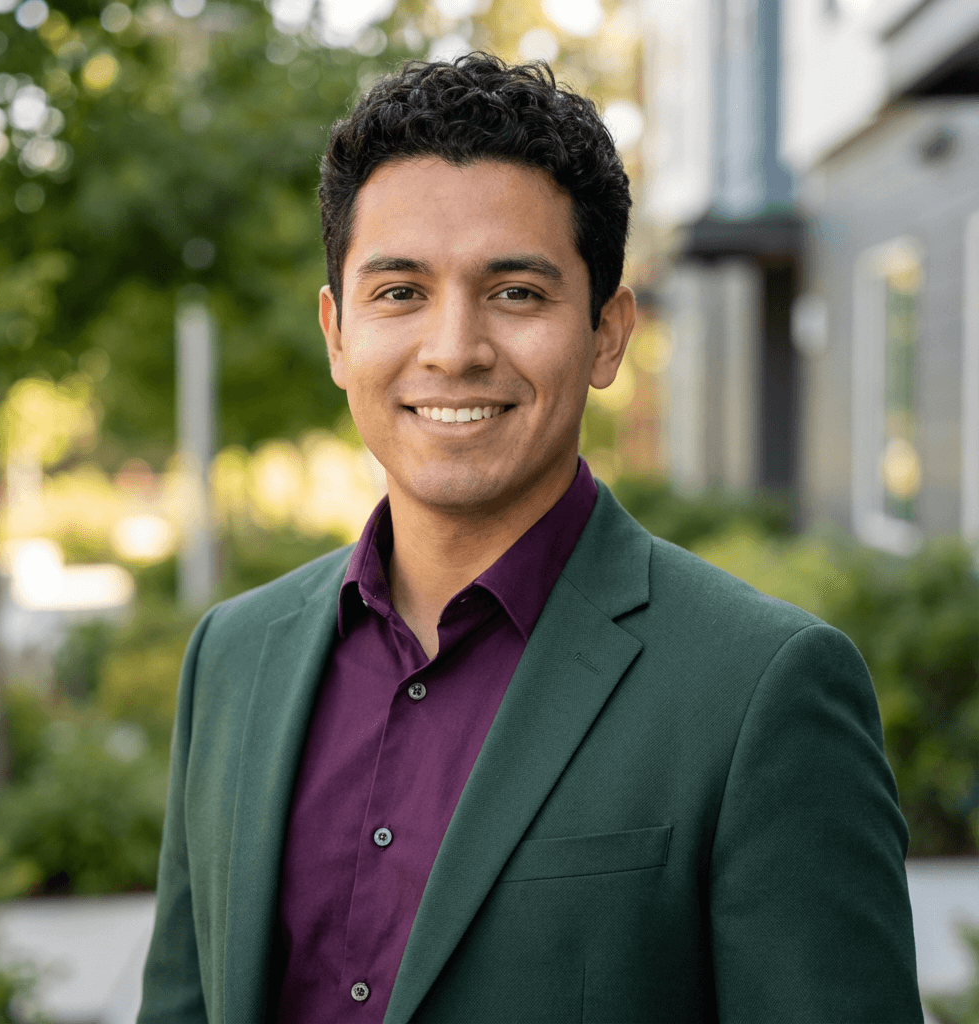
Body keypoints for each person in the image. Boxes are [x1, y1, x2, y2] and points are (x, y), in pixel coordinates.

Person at [138, 53, 923, 1024]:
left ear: (605, 333)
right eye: (399, 292)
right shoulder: (232, 655)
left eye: (515, 291)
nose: (455, 347)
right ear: (336, 333)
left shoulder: (764, 688)